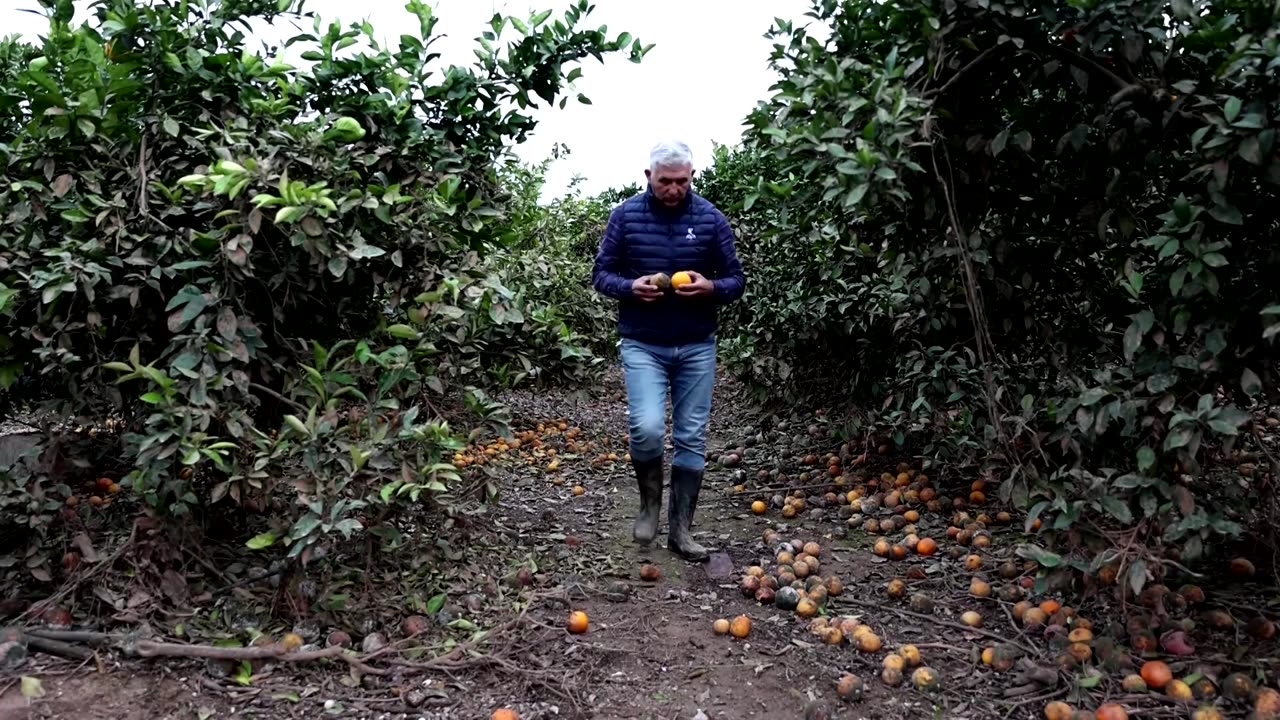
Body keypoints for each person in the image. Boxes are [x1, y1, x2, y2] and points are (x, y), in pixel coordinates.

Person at [590, 139, 746, 562]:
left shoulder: (711, 218)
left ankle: (681, 530)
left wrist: (710, 287)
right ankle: (649, 505)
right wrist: (630, 287)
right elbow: (601, 274)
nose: (675, 189)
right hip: (643, 342)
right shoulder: (625, 217)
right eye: (666, 181)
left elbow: (735, 280)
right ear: (648, 177)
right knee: (647, 427)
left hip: (696, 344)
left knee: (692, 435)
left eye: (682, 181)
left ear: (692, 176)